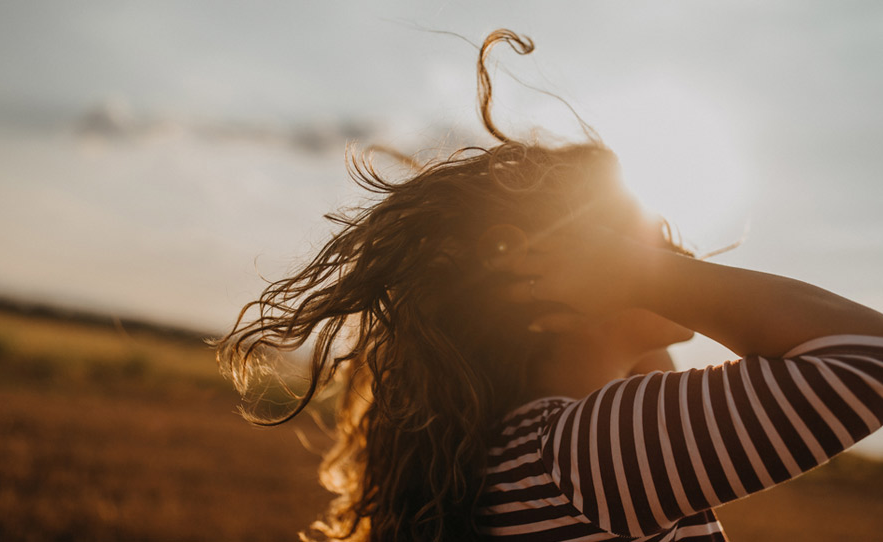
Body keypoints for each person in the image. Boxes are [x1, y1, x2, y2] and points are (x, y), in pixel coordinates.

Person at [211, 29, 883, 542]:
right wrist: (642, 275)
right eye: (631, 236)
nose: (675, 250)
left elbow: (642, 362)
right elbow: (869, 357)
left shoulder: (524, 452)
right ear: (550, 293)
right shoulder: (583, 456)